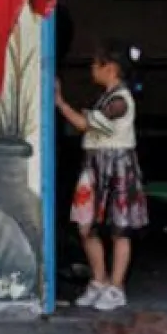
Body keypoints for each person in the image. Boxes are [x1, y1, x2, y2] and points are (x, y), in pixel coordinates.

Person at [55, 40, 148, 311]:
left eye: (97, 64)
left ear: (112, 68)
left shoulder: (120, 100)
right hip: (95, 165)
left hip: (117, 165)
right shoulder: (108, 96)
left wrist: (60, 102)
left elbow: (85, 124)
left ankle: (116, 287)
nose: (92, 69)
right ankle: (99, 280)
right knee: (87, 227)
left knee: (120, 230)